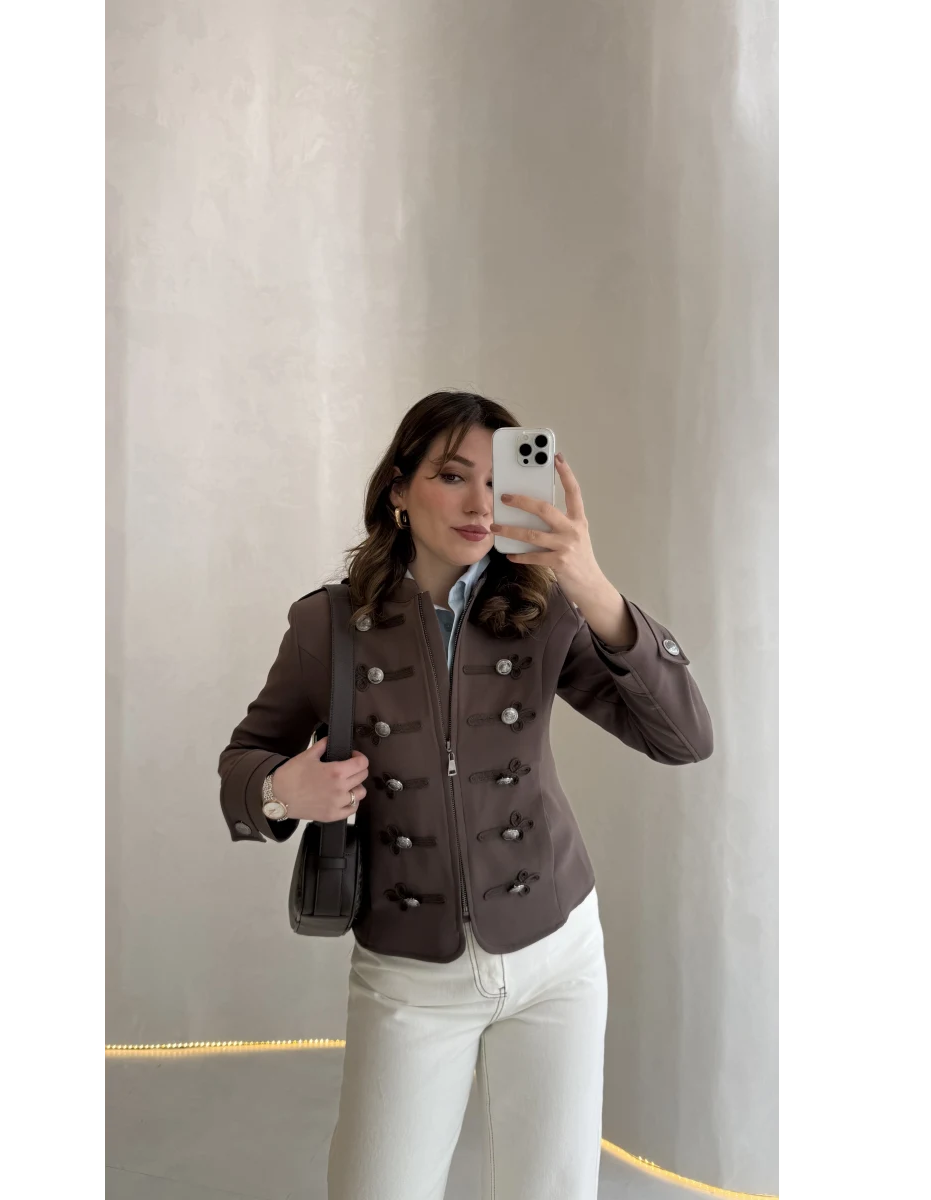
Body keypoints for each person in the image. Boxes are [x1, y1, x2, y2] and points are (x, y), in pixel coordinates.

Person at [217, 390, 713, 1200]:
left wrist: (590, 584)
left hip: (556, 954)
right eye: (452, 476)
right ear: (398, 490)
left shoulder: (546, 609)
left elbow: (683, 737)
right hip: (409, 973)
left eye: (497, 480)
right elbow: (243, 761)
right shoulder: (328, 626)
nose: (480, 504)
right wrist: (282, 789)